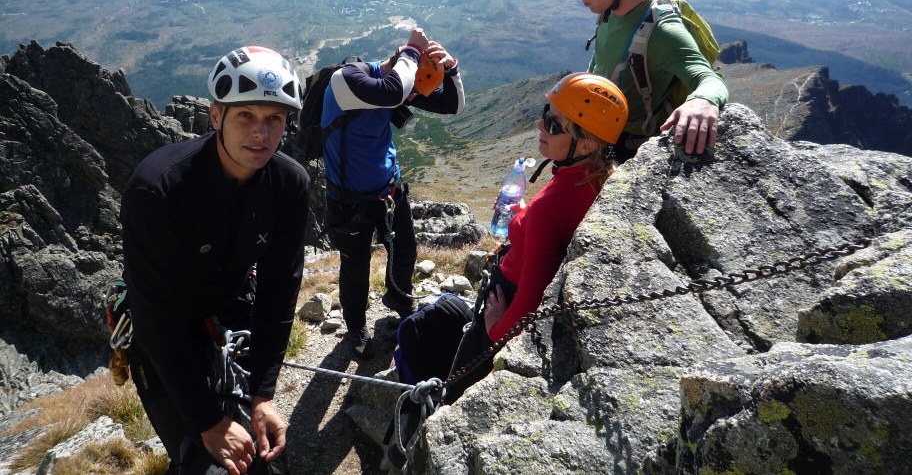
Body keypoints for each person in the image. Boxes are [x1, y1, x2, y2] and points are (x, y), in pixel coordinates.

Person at [121, 46, 311, 475]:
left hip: (230, 309)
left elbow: (280, 291)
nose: (261, 133)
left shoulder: (289, 184)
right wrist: (209, 422)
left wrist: (263, 395)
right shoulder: (159, 189)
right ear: (215, 116)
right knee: (204, 463)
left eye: (274, 119)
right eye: (245, 115)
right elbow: (155, 318)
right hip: (162, 330)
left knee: (267, 457)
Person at [446, 71, 628, 401]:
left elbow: (531, 299)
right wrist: (522, 214)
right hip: (513, 292)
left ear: (586, 143)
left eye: (554, 124)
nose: (541, 126)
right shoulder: (592, 178)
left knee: (456, 387)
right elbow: (552, 226)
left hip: (506, 302)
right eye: (546, 116)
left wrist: (494, 330)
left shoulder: (557, 201)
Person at [322, 28, 464, 360]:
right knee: (355, 266)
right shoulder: (346, 80)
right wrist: (413, 52)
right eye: (410, 89)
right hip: (348, 202)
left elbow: (454, 106)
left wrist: (452, 69)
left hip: (389, 192)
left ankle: (398, 298)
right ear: (400, 65)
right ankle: (355, 326)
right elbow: (390, 92)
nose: (411, 96)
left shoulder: (399, 85)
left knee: (404, 250)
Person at [565, 0, 728, 162]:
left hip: (627, 152)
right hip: (598, 137)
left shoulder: (662, 29)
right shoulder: (611, 8)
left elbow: (707, 78)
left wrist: (704, 100)